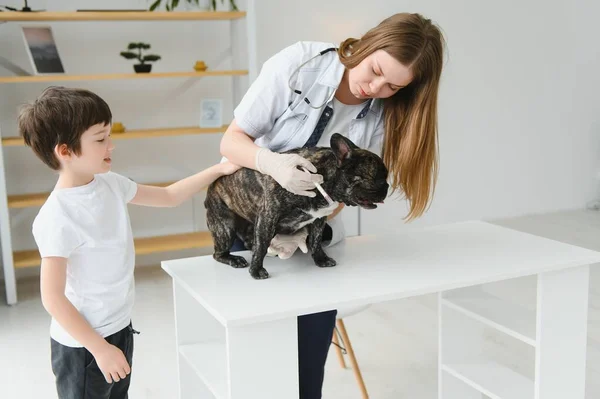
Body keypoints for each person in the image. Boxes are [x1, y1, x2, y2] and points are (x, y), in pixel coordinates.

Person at [220, 12, 446, 399]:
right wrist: (273, 163)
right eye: (375, 70)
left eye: (393, 86)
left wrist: (307, 225)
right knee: (255, 362)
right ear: (368, 43)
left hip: (312, 241)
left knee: (307, 368)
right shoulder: (299, 65)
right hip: (255, 225)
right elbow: (232, 142)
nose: (375, 88)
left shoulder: (383, 113)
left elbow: (348, 191)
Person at [18, 86, 240, 399]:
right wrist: (100, 349)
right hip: (83, 346)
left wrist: (219, 169)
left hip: (119, 328)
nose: (111, 144)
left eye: (108, 135)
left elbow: (168, 196)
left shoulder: (110, 183)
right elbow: (52, 298)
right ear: (65, 151)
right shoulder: (56, 217)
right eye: (99, 139)